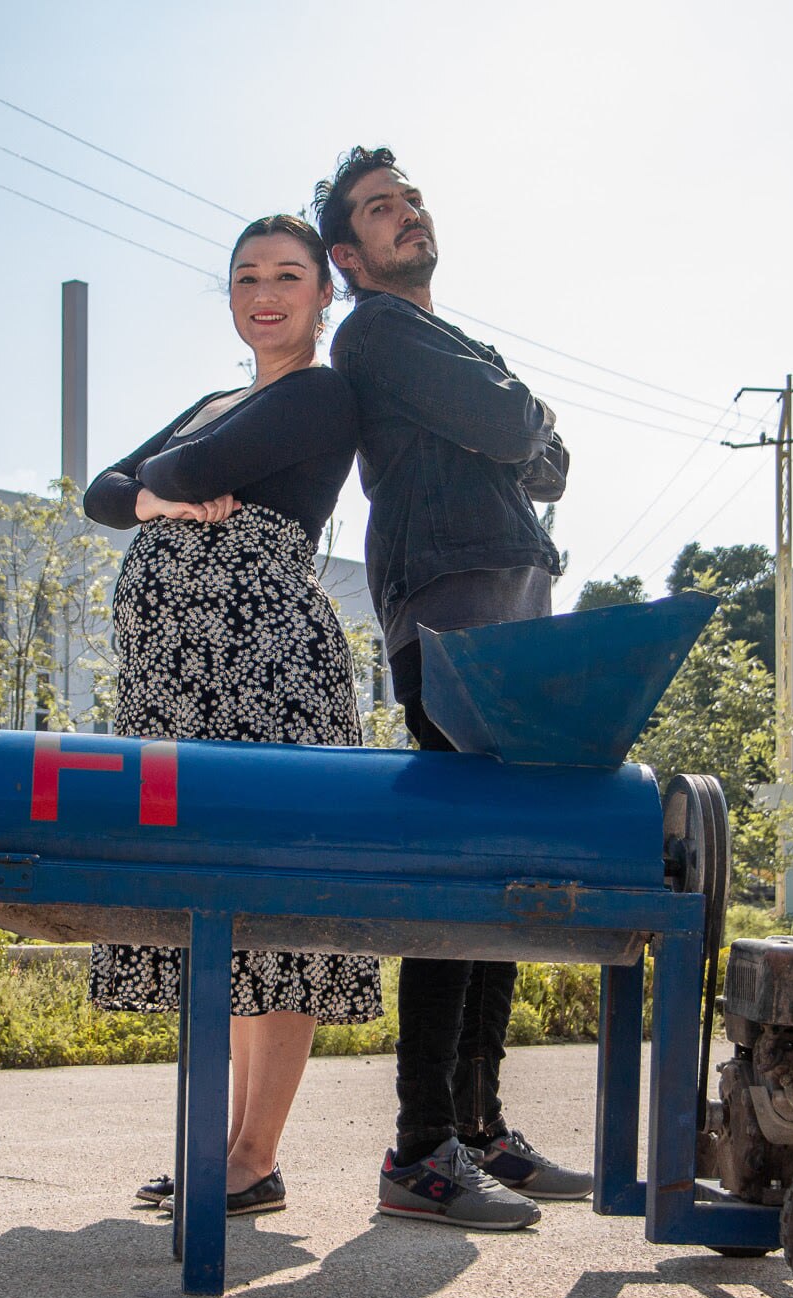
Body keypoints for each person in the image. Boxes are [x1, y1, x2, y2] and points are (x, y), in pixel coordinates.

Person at [83, 213, 380, 1218]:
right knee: (214, 910)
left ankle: (251, 1155)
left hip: (267, 673)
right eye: (246, 277)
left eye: (287, 276)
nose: (265, 294)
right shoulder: (215, 399)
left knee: (275, 910)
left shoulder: (321, 394)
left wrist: (158, 493)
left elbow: (171, 475)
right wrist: (156, 501)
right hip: (175, 682)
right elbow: (97, 493)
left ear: (321, 293)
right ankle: (226, 1150)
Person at [313, 147, 588, 1231]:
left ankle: (477, 1129)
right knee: (456, 880)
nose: (405, 214)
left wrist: (514, 419)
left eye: (410, 198)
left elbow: (546, 462)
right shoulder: (376, 330)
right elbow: (524, 434)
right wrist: (517, 415)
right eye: (380, 209)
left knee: (501, 875)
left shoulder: (441, 341)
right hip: (453, 618)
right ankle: (420, 1147)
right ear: (349, 254)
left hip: (510, 615)